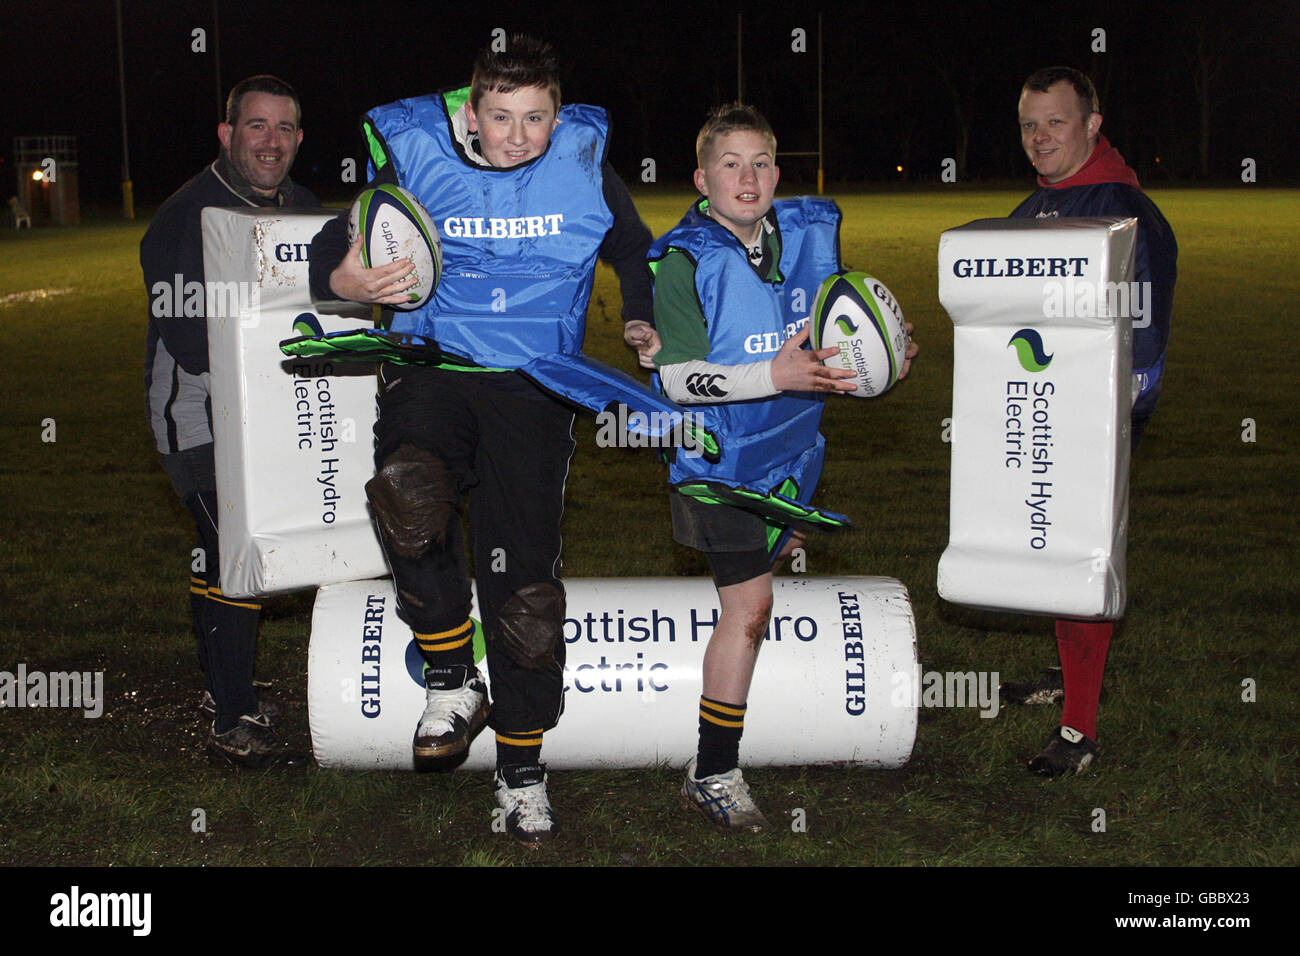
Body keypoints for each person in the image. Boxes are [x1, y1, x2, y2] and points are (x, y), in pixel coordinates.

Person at [308, 35, 654, 847]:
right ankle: (452, 674)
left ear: (557, 113)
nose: (519, 135)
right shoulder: (420, 154)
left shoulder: (579, 158)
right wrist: (345, 280)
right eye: (502, 117)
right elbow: (338, 241)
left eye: (536, 117)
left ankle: (521, 770)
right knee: (408, 492)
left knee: (524, 583)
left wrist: (639, 311)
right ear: (471, 109)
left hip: (534, 383)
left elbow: (632, 244)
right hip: (436, 367)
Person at [648, 104, 915, 831]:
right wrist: (773, 375)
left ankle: (713, 760)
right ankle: (714, 772)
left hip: (792, 456)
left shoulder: (802, 241)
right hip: (720, 462)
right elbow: (672, 381)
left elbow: (834, 344)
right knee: (751, 606)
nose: (748, 177)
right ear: (702, 179)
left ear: (778, 171)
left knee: (760, 601)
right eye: (730, 164)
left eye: (761, 162)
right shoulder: (684, 259)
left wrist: (882, 357)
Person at [999, 67, 1177, 776]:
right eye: (1027, 125)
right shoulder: (1031, 210)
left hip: (1091, 425)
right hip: (1035, 417)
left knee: (1079, 559)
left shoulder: (1125, 211)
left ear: (1093, 125)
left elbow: (1147, 339)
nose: (1039, 139)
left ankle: (1079, 732)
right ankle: (1065, 677)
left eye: (1056, 123)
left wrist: (1106, 426)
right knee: (1045, 550)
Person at [141, 75, 318, 767]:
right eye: (255, 126)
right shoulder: (188, 214)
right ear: (227, 134)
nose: (270, 141)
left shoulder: (304, 210)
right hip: (198, 414)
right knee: (238, 549)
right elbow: (187, 341)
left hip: (270, 412)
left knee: (217, 550)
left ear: (299, 139)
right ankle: (234, 716)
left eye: (283, 128)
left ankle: (222, 688)